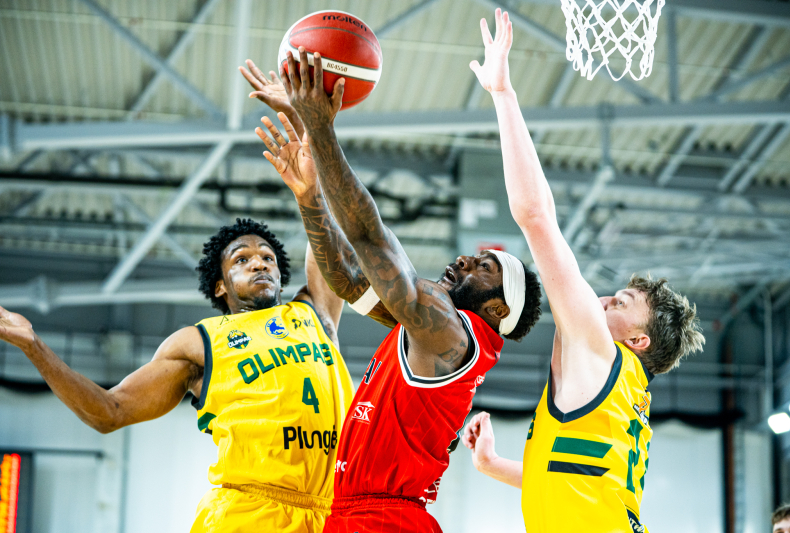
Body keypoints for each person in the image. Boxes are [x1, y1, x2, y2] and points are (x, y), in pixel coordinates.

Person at [252, 48, 543, 533]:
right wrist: (308, 194)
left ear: (496, 308)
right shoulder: (426, 329)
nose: (466, 260)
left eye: (485, 267)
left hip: (386, 518)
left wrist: (319, 127)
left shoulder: (448, 331)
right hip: (359, 513)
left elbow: (370, 237)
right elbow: (348, 279)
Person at [460, 9, 705, 533]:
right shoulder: (628, 396)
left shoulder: (600, 351)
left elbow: (536, 215)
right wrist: (493, 466)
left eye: (620, 303)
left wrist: (504, 95)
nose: (603, 300)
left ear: (637, 340)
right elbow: (574, 477)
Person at [0, 218, 354, 533]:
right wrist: (34, 346)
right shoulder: (200, 342)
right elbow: (110, 411)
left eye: (267, 257)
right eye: (241, 259)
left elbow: (328, 232)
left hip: (333, 514)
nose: (259, 263)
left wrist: (309, 188)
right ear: (220, 285)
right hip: (250, 514)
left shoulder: (313, 314)